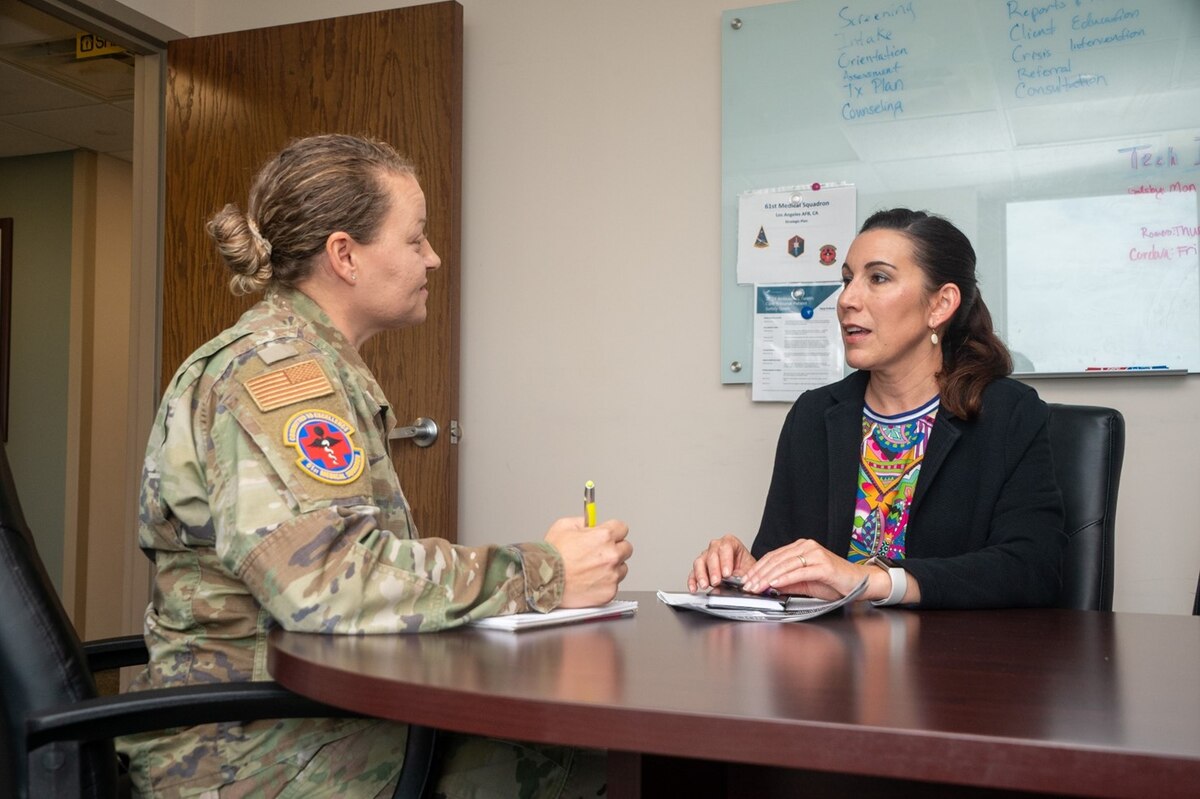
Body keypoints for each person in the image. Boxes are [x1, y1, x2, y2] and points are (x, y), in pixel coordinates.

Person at [118, 134, 633, 798]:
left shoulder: (313, 362)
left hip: (297, 716)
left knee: (575, 748)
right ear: (345, 255)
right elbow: (326, 582)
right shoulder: (276, 373)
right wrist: (543, 570)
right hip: (243, 750)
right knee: (590, 771)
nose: (434, 257)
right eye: (415, 239)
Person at [689, 208, 1064, 609]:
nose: (847, 300)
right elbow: (785, 557)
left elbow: (1034, 569)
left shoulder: (1008, 414)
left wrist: (872, 580)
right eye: (848, 280)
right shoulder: (814, 415)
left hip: (953, 661)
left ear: (940, 305)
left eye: (878, 278)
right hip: (828, 662)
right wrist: (752, 573)